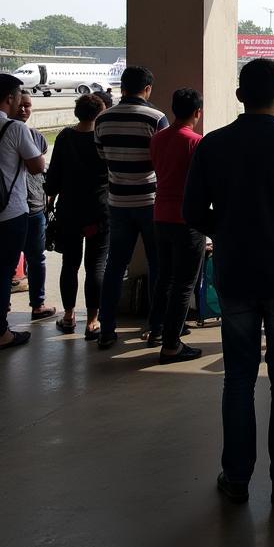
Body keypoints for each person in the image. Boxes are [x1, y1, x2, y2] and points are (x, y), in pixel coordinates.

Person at [182, 58, 274, 504]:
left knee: (238, 378)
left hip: (235, 275)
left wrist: (225, 231)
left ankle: (236, 477)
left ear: (239, 96)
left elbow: (191, 211)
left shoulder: (213, 146)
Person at [93, 65, 168, 350]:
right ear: (147, 89)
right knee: (157, 265)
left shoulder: (103, 120)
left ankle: (107, 329)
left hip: (118, 202)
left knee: (115, 265)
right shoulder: (156, 118)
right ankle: (156, 327)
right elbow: (161, 159)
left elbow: (103, 155)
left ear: (122, 87)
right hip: (149, 201)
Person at [0, 73, 46, 353]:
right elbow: (37, 166)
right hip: (10, 212)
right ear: (10, 98)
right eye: (20, 95)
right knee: (2, 273)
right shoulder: (15, 129)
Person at [146, 88, 206, 363]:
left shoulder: (158, 139)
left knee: (164, 278)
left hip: (160, 215)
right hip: (186, 219)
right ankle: (172, 345)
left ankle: (157, 330)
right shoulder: (196, 142)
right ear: (197, 112)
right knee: (184, 284)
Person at [46, 93, 109, 339]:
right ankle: (93, 321)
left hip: (69, 212)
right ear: (99, 113)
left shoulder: (64, 137)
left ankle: (69, 315)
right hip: (99, 211)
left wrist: (51, 197)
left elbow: (53, 180)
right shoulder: (102, 138)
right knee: (96, 266)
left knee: (69, 265)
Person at [15, 90, 55, 320]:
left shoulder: (37, 136)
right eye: (21, 105)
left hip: (34, 205)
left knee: (36, 257)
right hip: (19, 206)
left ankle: (37, 303)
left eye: (28, 106)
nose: (24, 110)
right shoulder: (18, 134)